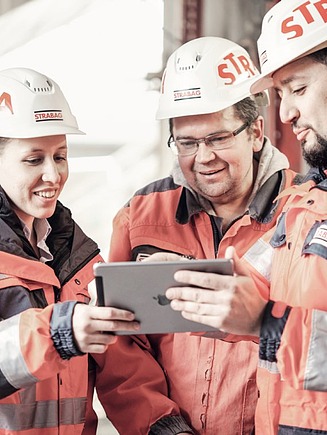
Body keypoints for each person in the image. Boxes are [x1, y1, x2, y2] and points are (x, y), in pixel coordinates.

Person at [86, 37, 297, 434]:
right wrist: (161, 425)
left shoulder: (306, 214)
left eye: (218, 138)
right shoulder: (142, 215)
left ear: (254, 132)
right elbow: (119, 343)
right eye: (187, 142)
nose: (203, 158)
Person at [164, 1, 327, 434]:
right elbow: (254, 282)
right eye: (281, 95)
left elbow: (264, 310)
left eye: (298, 89)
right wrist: (181, 278)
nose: (286, 113)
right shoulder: (306, 203)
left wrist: (267, 321)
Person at [0, 67, 139, 435]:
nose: (53, 175)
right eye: (34, 160)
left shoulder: (81, 258)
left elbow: (123, 368)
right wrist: (58, 333)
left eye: (60, 156)